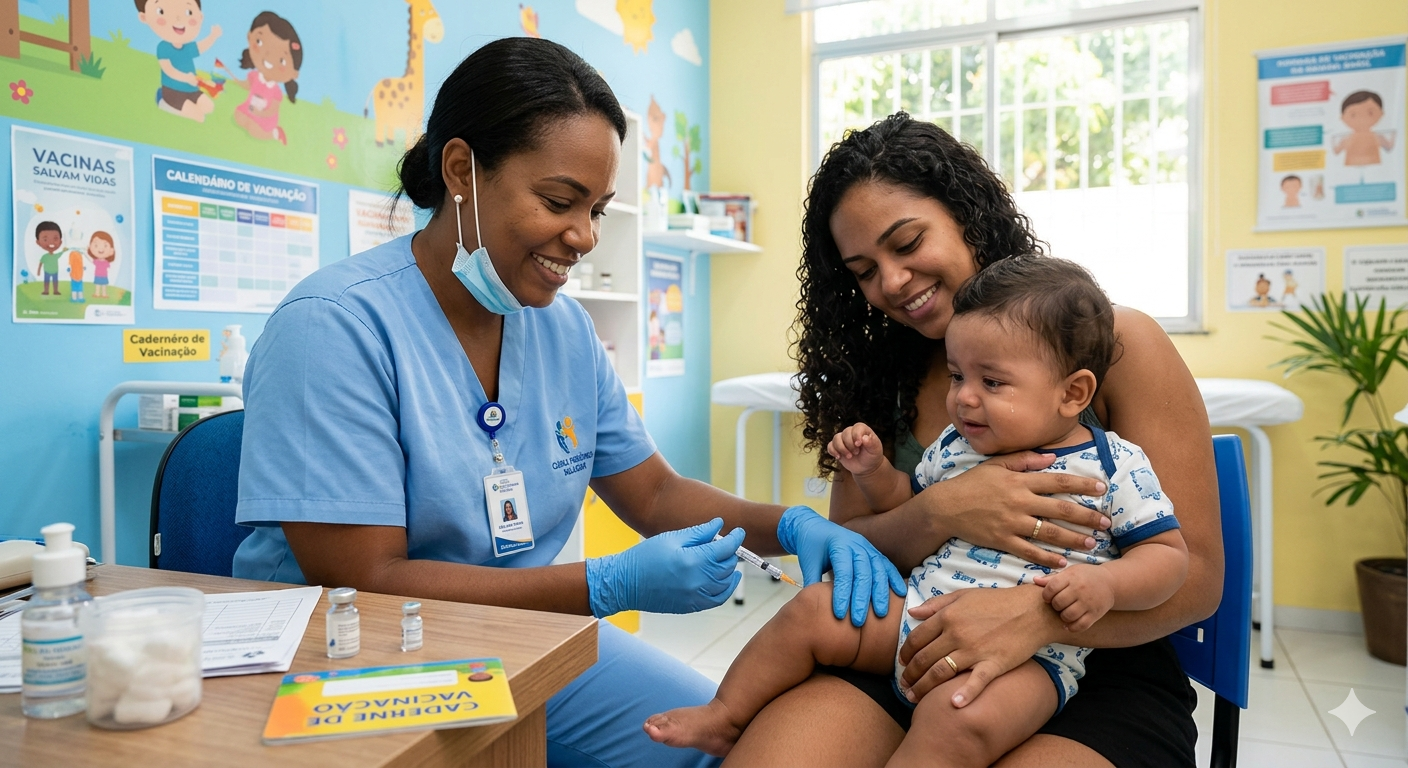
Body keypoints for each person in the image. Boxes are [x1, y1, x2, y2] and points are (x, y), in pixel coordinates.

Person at [232, 38, 903, 768]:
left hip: (516, 637)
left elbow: (654, 494)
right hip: (357, 654)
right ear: (460, 171)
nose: (583, 237)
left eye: (598, 209)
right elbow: (368, 581)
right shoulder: (333, 327)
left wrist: (794, 525)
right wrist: (610, 583)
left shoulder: (562, 330)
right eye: (558, 202)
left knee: (724, 747)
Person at [726, 113, 1219, 768]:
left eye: (908, 242)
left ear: (968, 217)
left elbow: (1197, 578)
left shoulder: (1113, 343)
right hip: (918, 637)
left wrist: (1036, 617)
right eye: (864, 271)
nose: (892, 281)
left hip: (1097, 661)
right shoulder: (877, 375)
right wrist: (942, 511)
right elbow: (851, 552)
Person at [645, 257, 1188, 764]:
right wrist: (874, 472)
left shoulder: (1115, 465)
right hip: (919, 615)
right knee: (812, 608)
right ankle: (726, 714)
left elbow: (1169, 555)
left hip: (1034, 656)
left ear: (1072, 394)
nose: (965, 397)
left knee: (958, 717)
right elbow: (909, 504)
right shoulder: (957, 445)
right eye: (957, 376)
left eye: (991, 382)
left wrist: (1106, 585)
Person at [219, 11, 302, 144]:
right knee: (238, 117)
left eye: (282, 60)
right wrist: (232, 77)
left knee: (254, 130)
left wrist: (259, 114)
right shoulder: (255, 76)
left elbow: (272, 110)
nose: (269, 56)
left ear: (293, 74)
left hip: (264, 118)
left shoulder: (275, 92)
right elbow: (247, 85)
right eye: (259, 41)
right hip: (249, 109)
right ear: (249, 37)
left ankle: (275, 133)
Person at [135, 0, 221, 122]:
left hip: (192, 90)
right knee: (199, 116)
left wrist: (213, 36)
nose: (178, 20)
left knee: (209, 107)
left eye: (189, 12)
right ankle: (163, 102)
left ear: (200, 17)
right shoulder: (163, 47)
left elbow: (201, 46)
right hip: (173, 91)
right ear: (144, 17)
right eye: (161, 11)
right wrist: (186, 78)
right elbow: (168, 69)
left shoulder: (187, 47)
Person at [88, 232, 116, 300]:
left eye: (105, 245)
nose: (100, 249)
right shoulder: (96, 261)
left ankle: (104, 294)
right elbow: (91, 260)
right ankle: (97, 293)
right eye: (96, 245)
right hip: (97, 275)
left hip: (104, 276)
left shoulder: (106, 262)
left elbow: (108, 266)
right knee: (97, 285)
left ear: (111, 250)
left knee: (104, 285)